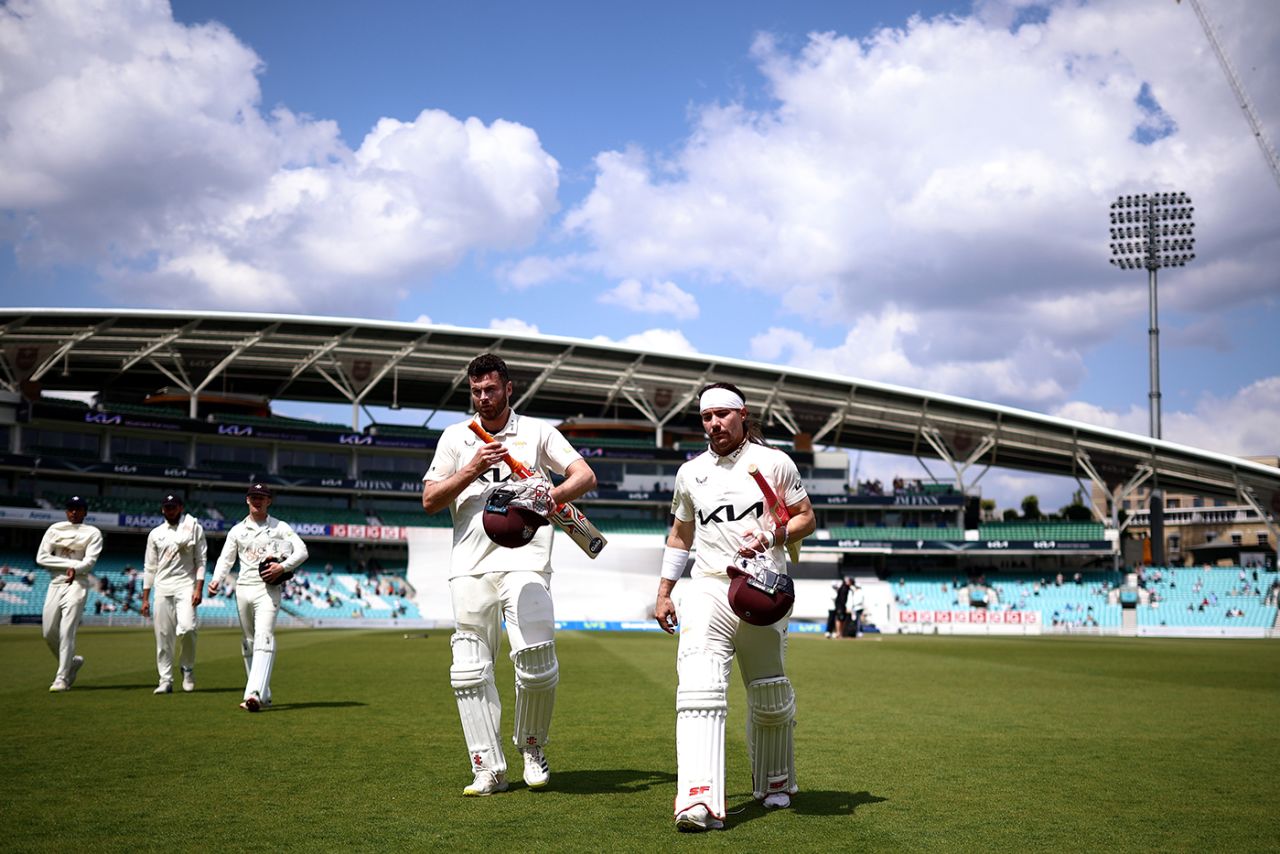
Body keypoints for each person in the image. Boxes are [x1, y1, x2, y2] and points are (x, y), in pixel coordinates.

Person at [421, 353, 597, 796]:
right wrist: (473, 468)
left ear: (508, 388)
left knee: (537, 661)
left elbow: (584, 475)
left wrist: (550, 497)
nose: (483, 397)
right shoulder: (455, 436)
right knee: (469, 670)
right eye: (476, 391)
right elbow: (430, 501)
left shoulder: (537, 432)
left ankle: (532, 747)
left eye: (491, 389)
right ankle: (488, 768)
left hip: (526, 560)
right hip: (469, 567)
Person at [653, 382, 816, 832]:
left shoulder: (774, 462)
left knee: (769, 693)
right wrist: (665, 592)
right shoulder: (690, 473)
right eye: (706, 417)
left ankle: (775, 781)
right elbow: (680, 535)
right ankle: (698, 799)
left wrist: (771, 535)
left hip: (762, 587)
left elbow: (806, 517)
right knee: (699, 688)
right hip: (709, 585)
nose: (714, 424)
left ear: (742, 415)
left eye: (722, 414)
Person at [208, 483, 308, 712]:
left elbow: (302, 551)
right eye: (253, 497)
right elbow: (226, 559)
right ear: (247, 500)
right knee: (249, 642)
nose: (257, 500)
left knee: (264, 637)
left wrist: (282, 567)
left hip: (268, 590)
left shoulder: (280, 527)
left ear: (269, 501)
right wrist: (216, 580)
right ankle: (265, 692)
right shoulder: (237, 530)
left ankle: (253, 693)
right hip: (243, 589)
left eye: (262, 497)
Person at [140, 493, 207, 694]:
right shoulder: (156, 534)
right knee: (163, 637)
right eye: (167, 507)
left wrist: (198, 588)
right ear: (163, 509)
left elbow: (201, 561)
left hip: (186, 585)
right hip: (162, 587)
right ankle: (165, 680)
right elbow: (149, 567)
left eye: (174, 507)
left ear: (180, 508)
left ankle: (187, 668)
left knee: (188, 629)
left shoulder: (193, 528)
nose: (170, 510)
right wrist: (145, 598)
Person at [36, 495, 103, 692]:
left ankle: (62, 678)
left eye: (78, 508)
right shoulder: (55, 529)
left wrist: (77, 569)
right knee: (48, 632)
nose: (74, 512)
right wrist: (73, 564)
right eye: (71, 508)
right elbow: (41, 557)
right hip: (55, 582)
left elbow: (90, 562)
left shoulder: (93, 533)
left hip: (78, 583)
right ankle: (71, 662)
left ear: (85, 512)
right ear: (66, 511)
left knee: (67, 631)